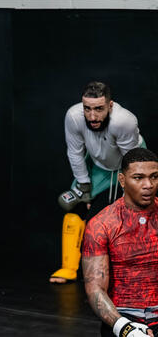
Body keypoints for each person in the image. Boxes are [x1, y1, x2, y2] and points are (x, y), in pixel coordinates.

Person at [50, 81, 145, 283]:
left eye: (99, 109)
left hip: (126, 166)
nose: (92, 116)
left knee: (121, 215)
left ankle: (126, 272)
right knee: (74, 206)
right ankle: (68, 268)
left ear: (110, 106)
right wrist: (84, 188)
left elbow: (131, 161)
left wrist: (129, 190)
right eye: (88, 108)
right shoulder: (74, 117)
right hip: (97, 164)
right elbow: (75, 153)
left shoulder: (124, 121)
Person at [82, 147, 158, 337]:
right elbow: (95, 288)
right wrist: (124, 328)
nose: (148, 184)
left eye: (154, 176)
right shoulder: (101, 224)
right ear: (122, 180)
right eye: (138, 178)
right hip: (122, 316)